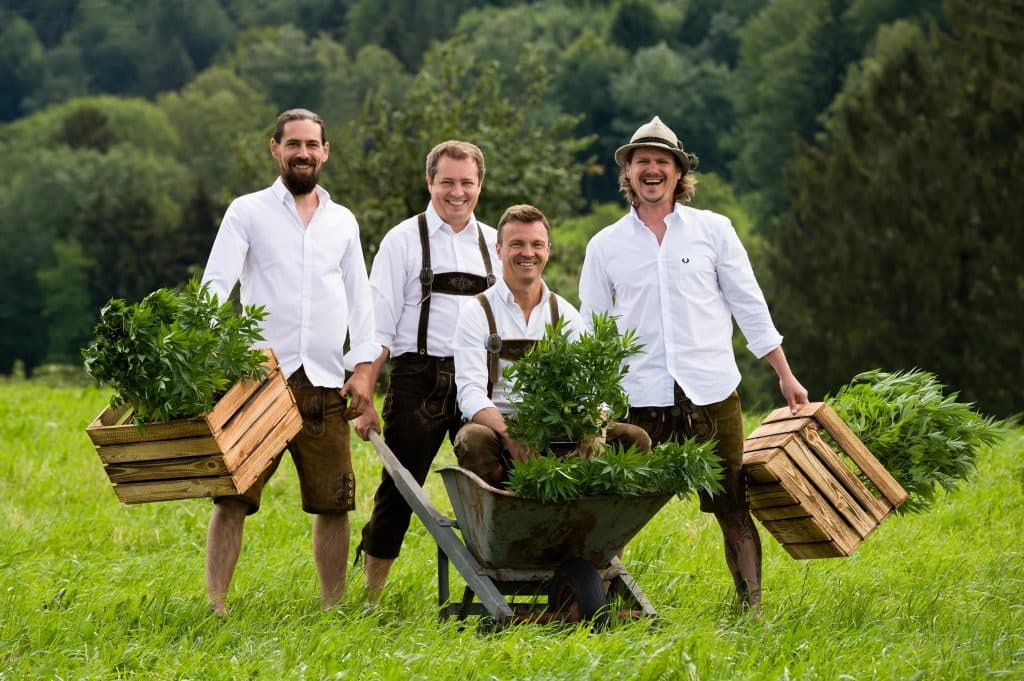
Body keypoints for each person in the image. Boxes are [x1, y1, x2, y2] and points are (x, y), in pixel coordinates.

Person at [578, 116, 809, 613]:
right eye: (643, 162)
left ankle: (753, 610)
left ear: (680, 174)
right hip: (638, 399)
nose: (653, 170)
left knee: (733, 508)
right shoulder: (605, 246)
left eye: (663, 162)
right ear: (629, 174)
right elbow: (591, 333)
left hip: (710, 393)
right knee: (618, 511)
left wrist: (785, 375)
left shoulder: (714, 231)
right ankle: (598, 608)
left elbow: (750, 306)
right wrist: (593, 409)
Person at [200, 108, 379, 615]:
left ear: (325, 152)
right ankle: (217, 607)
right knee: (232, 497)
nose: (303, 153)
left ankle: (332, 608)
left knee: (334, 503)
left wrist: (363, 368)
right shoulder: (247, 211)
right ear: (274, 148)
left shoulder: (343, 221)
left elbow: (360, 299)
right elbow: (216, 287)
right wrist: (225, 350)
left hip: (324, 384)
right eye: (293, 143)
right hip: (258, 383)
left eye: (312, 145)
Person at [352, 141, 500, 600]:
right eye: (447, 182)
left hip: (480, 378)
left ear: (479, 185)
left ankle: (499, 582)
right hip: (418, 378)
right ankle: (372, 595)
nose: (457, 192)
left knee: (498, 482)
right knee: (400, 489)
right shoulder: (402, 239)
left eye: (467, 183)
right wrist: (365, 392)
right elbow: (379, 324)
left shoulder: (495, 243)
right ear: (430, 182)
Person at [453, 204, 650, 487]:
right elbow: (470, 393)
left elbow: (590, 385)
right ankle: (503, 505)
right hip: (499, 430)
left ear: (548, 250)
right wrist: (511, 433)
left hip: (557, 430)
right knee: (472, 439)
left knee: (634, 439)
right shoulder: (477, 312)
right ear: (499, 250)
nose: (528, 253)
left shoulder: (565, 314)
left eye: (537, 244)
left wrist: (593, 426)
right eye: (516, 244)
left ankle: (588, 513)